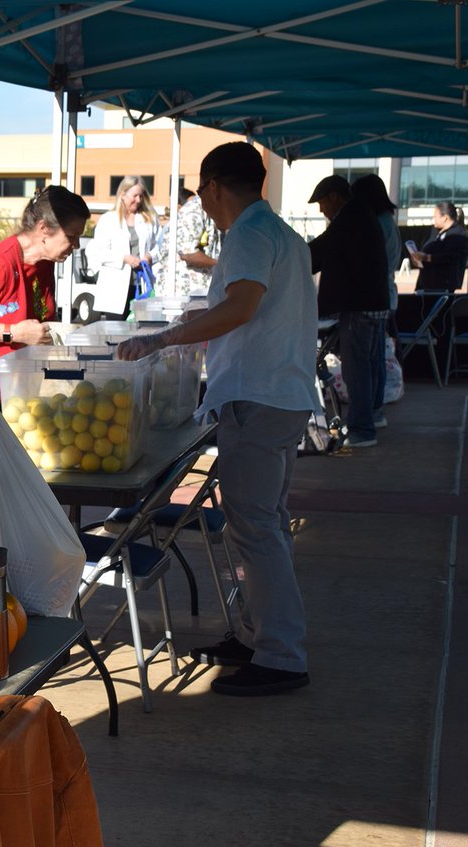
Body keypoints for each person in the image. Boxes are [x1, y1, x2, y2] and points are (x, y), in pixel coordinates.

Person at [116, 142, 317, 697]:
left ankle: (280, 654)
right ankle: (257, 635)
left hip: (259, 397)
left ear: (212, 187)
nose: (200, 202)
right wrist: (199, 316)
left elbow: (242, 307)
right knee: (265, 522)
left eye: (200, 192)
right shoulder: (279, 234)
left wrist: (164, 338)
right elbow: (253, 307)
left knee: (255, 525)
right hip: (281, 394)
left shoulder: (249, 235)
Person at [0, 186, 90, 405]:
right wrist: (14, 333)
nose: (76, 245)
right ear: (44, 228)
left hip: (18, 390)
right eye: (72, 236)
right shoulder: (0, 263)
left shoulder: (45, 264)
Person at [308, 174, 390, 448]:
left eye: (322, 203)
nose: (322, 210)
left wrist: (291, 256)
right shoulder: (361, 215)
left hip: (359, 306)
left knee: (357, 371)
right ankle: (372, 417)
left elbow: (319, 251)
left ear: (334, 197)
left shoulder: (349, 218)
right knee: (370, 366)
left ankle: (362, 430)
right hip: (374, 303)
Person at [351, 173, 403, 424]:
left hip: (372, 298)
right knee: (376, 359)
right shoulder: (387, 221)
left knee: (366, 362)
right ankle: (376, 411)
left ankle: (369, 416)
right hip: (386, 296)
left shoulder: (375, 223)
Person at [87, 176, 159, 319]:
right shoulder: (108, 219)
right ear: (123, 195)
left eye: (141, 196)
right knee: (116, 328)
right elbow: (98, 252)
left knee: (140, 327)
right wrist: (125, 259)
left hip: (141, 285)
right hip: (115, 288)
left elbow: (160, 246)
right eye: (135, 196)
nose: (138, 200)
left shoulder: (149, 219)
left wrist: (150, 256)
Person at [169, 187, 221, 296]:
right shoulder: (194, 210)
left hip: (202, 290)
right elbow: (188, 254)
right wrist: (220, 264)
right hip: (184, 293)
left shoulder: (216, 211)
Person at [410, 201, 468, 292]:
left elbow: (449, 257)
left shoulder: (458, 234)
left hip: (442, 285)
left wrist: (427, 257)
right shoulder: (437, 232)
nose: (433, 220)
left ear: (444, 218)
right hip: (428, 283)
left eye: (435, 217)